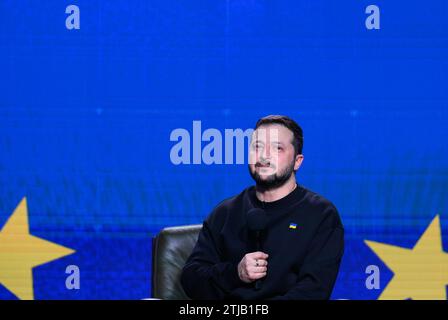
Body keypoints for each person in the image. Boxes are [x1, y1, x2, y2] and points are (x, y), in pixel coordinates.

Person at [181, 115, 344, 300]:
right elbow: (191, 278)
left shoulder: (320, 215)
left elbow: (312, 291)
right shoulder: (225, 213)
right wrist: (235, 273)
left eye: (277, 148)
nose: (264, 156)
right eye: (257, 147)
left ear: (297, 161)